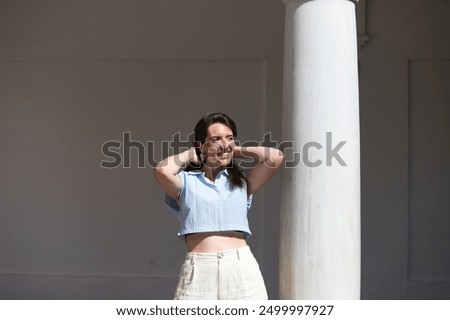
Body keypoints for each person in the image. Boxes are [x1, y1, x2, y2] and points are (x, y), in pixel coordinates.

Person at [154, 112, 284, 300]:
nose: (224, 144)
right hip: (199, 269)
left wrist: (232, 149)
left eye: (230, 138)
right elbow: (162, 170)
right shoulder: (186, 181)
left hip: (240, 267)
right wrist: (193, 153)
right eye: (215, 139)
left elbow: (276, 157)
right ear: (202, 146)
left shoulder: (243, 181)